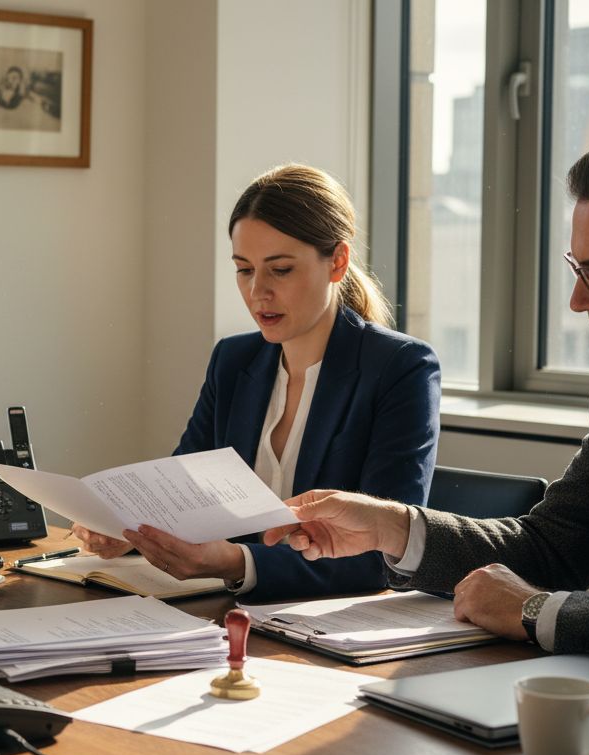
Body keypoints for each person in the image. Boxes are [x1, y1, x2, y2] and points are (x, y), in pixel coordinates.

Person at [265, 125, 589, 689]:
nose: (578, 300)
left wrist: (538, 611)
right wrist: (393, 528)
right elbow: (549, 548)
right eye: (577, 270)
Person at [74, 164, 441, 600]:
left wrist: (235, 563)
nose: (257, 292)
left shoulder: (402, 367)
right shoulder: (233, 360)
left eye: (280, 270)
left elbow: (382, 553)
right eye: (244, 269)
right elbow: (181, 495)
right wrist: (134, 529)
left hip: (330, 624)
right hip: (226, 611)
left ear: (338, 262)